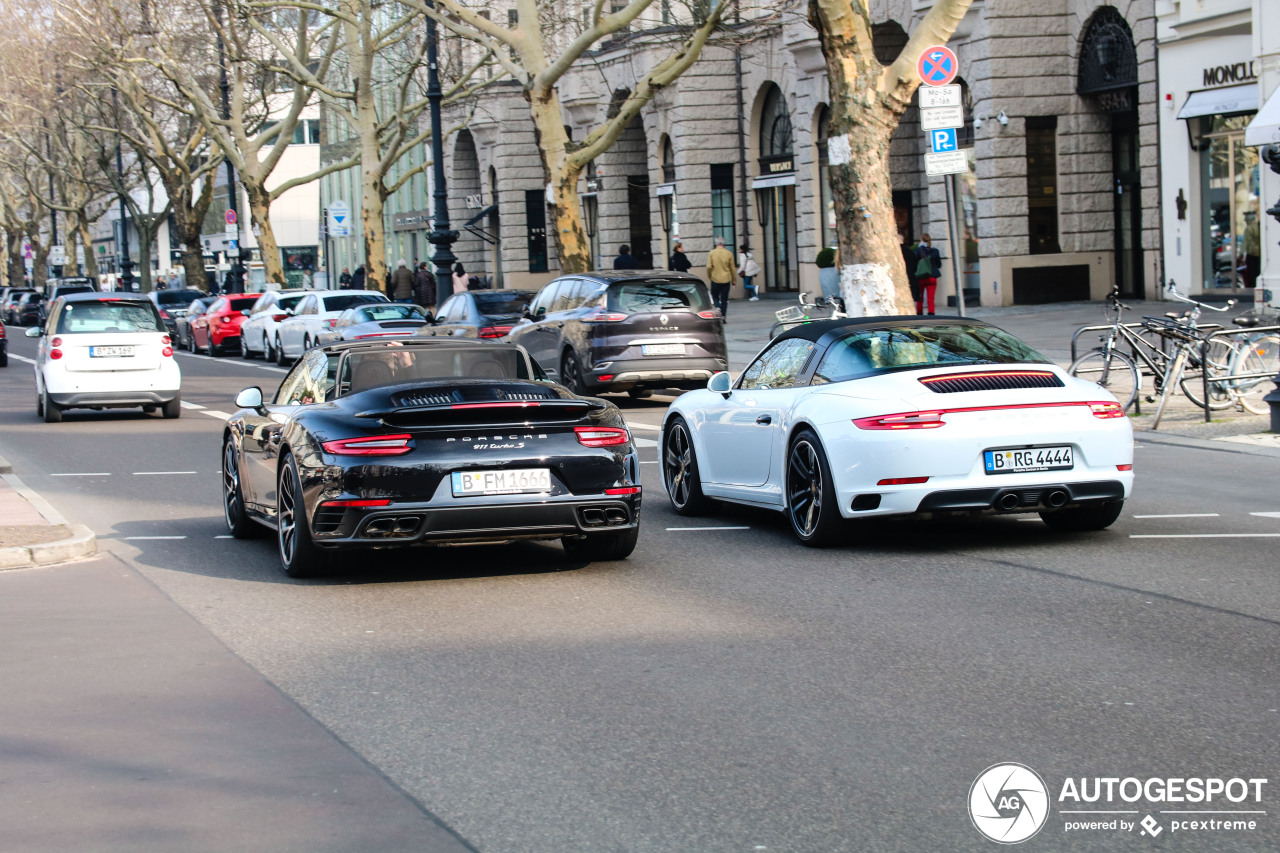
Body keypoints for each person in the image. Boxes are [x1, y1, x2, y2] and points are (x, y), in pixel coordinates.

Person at [706, 236, 736, 318]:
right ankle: (723, 315)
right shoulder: (729, 253)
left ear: (716, 243)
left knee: (715, 296)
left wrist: (710, 276)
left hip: (715, 278)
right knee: (724, 299)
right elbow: (732, 268)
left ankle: (717, 307)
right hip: (726, 279)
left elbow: (709, 267)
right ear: (724, 244)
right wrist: (734, 280)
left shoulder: (712, 253)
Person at [914, 233, 941, 315]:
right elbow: (939, 264)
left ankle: (919, 312)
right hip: (932, 276)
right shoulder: (935, 251)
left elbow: (914, 263)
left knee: (920, 297)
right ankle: (931, 312)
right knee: (931, 297)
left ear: (921, 240)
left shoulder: (918, 250)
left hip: (921, 276)